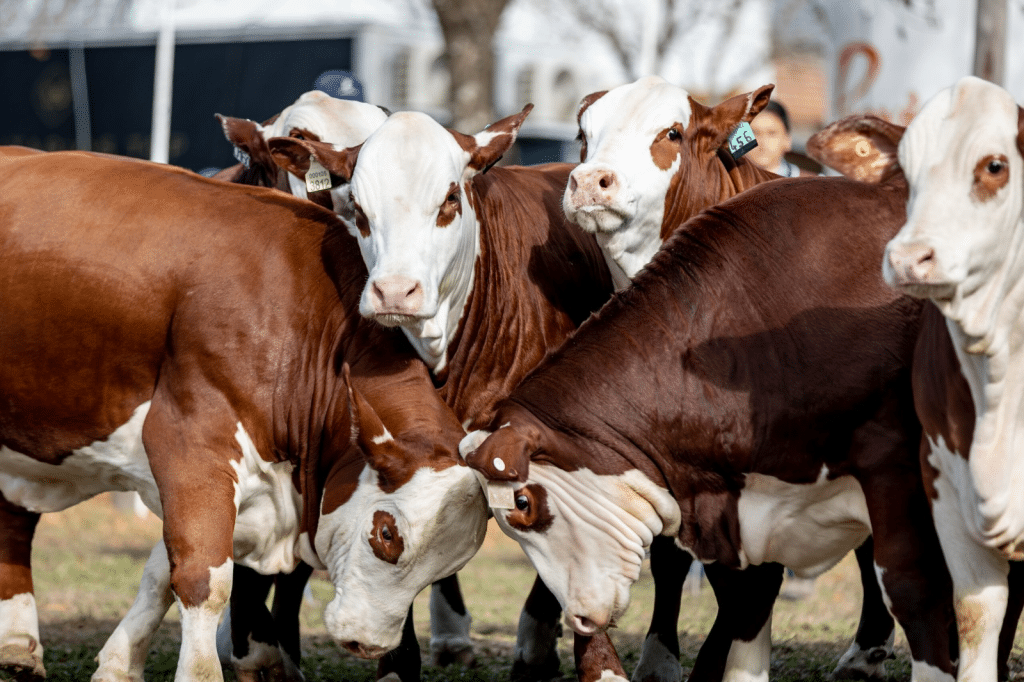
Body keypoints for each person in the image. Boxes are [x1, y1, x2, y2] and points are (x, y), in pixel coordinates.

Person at [747, 100, 817, 178]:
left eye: (771, 133)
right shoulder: (732, 185)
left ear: (787, 140)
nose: (762, 142)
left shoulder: (814, 185)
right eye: (754, 133)